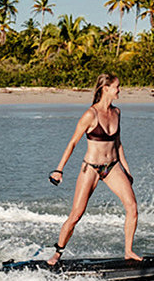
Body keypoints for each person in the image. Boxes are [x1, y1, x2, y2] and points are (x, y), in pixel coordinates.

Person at [45, 73, 141, 265]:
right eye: (117, 87)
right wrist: (59, 169)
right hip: (91, 168)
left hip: (112, 167)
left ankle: (128, 251)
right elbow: (72, 142)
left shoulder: (117, 112)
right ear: (106, 88)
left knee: (132, 207)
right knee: (76, 215)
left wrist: (126, 169)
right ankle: (58, 252)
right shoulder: (91, 114)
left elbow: (118, 143)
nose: (119, 90)